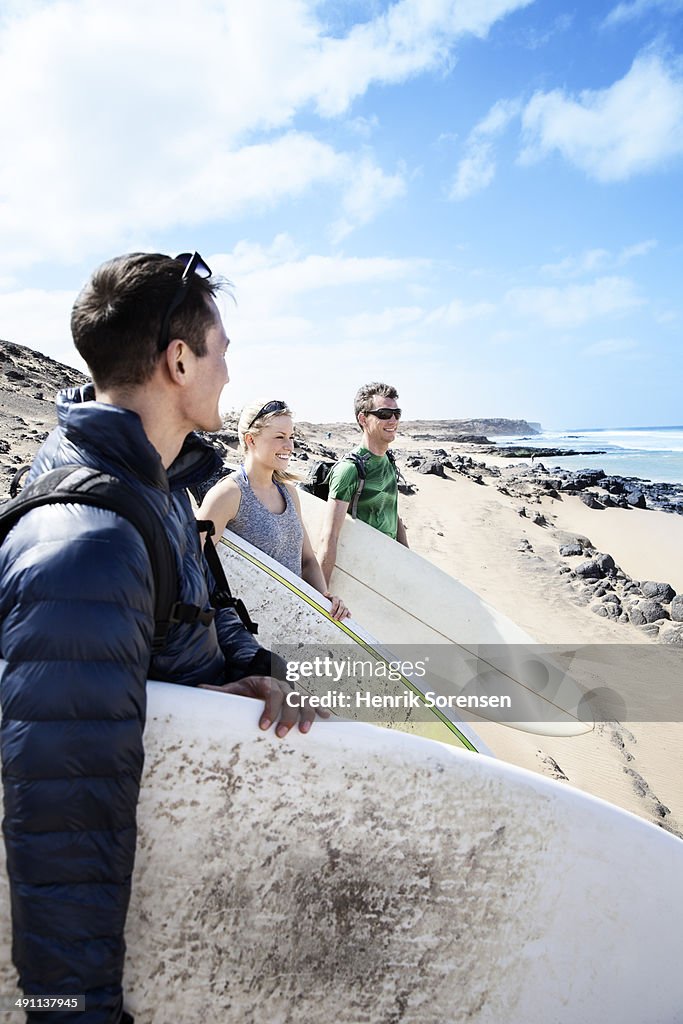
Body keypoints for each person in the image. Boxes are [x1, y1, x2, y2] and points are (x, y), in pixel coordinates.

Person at [0, 252, 319, 1024]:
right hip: (125, 915)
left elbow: (209, 599)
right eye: (221, 352)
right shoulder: (83, 547)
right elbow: (63, 816)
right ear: (179, 360)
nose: (228, 373)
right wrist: (71, 1009)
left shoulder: (158, 481)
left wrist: (247, 670)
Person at [198, 399, 349, 620]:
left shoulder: (288, 492)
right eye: (280, 437)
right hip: (247, 630)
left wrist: (324, 601)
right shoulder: (228, 495)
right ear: (251, 440)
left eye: (291, 437)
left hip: (291, 625)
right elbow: (190, 562)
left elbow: (306, 560)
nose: (289, 446)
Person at [317, 382, 408, 586]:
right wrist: (321, 593)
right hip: (361, 572)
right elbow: (329, 537)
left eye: (397, 413)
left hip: (389, 566)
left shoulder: (389, 461)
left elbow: (392, 512)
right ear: (363, 419)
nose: (393, 419)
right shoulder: (349, 470)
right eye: (384, 413)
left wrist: (408, 560)